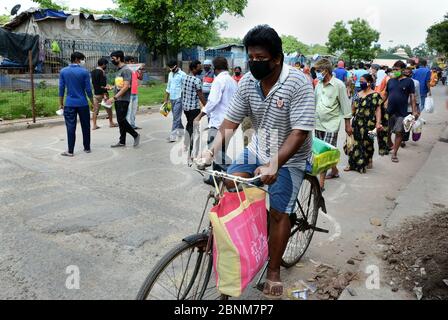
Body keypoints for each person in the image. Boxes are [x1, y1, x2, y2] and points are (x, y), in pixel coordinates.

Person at [197, 25, 316, 299]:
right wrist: (211, 152)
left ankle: (273, 270)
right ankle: (247, 237)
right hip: (260, 147)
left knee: (278, 212)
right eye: (250, 57)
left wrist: (275, 164)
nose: (253, 63)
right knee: (229, 183)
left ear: (277, 58)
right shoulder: (248, 82)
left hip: (290, 155)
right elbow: (231, 121)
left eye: (260, 58)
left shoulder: (298, 83)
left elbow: (299, 132)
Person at [314, 58, 352, 190]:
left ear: (326, 70)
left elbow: (346, 106)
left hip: (331, 125)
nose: (317, 73)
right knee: (321, 152)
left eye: (318, 71)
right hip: (318, 123)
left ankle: (321, 184)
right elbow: (315, 102)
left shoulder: (339, 85)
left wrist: (348, 125)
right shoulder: (318, 84)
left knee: (324, 153)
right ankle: (334, 170)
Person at [345, 74, 384, 173]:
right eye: (360, 81)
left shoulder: (375, 95)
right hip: (357, 123)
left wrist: (378, 123)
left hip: (370, 124)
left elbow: (378, 110)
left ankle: (368, 159)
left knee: (368, 143)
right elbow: (352, 109)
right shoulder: (357, 94)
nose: (361, 83)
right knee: (355, 143)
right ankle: (351, 163)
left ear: (369, 82)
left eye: (363, 81)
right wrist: (348, 123)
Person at [58, 52, 94, 157]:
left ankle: (70, 151)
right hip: (83, 103)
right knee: (86, 125)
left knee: (70, 127)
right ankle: (87, 147)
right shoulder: (84, 72)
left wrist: (61, 103)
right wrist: (92, 102)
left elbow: (61, 89)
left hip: (69, 103)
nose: (83, 61)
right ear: (77, 59)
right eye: (82, 59)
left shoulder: (63, 71)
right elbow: (88, 89)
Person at [383, 61, 418, 163]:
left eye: (397, 69)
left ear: (403, 70)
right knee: (387, 132)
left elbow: (412, 97)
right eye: (394, 69)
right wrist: (379, 104)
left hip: (402, 112)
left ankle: (394, 153)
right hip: (389, 111)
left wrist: (414, 111)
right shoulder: (390, 81)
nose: (394, 71)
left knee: (399, 132)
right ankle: (390, 145)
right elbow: (386, 94)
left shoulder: (409, 81)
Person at [107, 51, 140, 148]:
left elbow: (126, 87)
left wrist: (114, 97)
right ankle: (122, 141)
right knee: (121, 120)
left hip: (123, 99)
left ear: (119, 58)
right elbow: (120, 85)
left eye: (113, 58)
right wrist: (112, 87)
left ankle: (135, 135)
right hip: (118, 99)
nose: (111, 60)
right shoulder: (119, 69)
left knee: (121, 120)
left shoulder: (126, 70)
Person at [181, 60, 207, 159]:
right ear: (193, 68)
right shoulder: (196, 80)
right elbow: (201, 95)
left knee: (189, 124)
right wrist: (207, 107)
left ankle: (185, 144)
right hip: (194, 108)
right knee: (195, 130)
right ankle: (192, 153)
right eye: (198, 67)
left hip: (186, 107)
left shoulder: (184, 77)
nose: (200, 69)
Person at [91, 58, 117, 130]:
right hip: (103, 94)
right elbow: (102, 85)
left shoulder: (92, 72)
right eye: (105, 64)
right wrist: (106, 93)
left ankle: (94, 125)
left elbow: (95, 84)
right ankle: (111, 122)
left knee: (95, 110)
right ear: (103, 64)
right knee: (109, 109)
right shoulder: (102, 72)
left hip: (95, 94)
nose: (106, 66)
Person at [164, 60, 186, 143]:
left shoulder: (183, 75)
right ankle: (182, 131)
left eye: (172, 67)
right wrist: (166, 99)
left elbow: (185, 88)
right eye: (169, 68)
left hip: (179, 98)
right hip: (172, 98)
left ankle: (172, 136)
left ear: (176, 66)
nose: (171, 69)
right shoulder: (170, 74)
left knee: (176, 118)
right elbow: (168, 87)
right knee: (176, 117)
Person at [402, 67, 421, 147]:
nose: (406, 74)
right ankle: (402, 139)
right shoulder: (399, 81)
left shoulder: (416, 83)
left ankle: (403, 140)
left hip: (410, 107)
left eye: (407, 72)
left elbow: (416, 95)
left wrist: (417, 108)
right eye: (405, 72)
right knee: (403, 124)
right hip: (401, 106)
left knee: (407, 124)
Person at [125, 56, 143, 130]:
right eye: (131, 61)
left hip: (135, 92)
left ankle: (132, 124)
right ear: (127, 62)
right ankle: (127, 126)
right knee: (128, 110)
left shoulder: (135, 70)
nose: (133, 63)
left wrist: (141, 70)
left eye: (133, 61)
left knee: (134, 110)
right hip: (129, 93)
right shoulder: (126, 70)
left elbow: (140, 78)